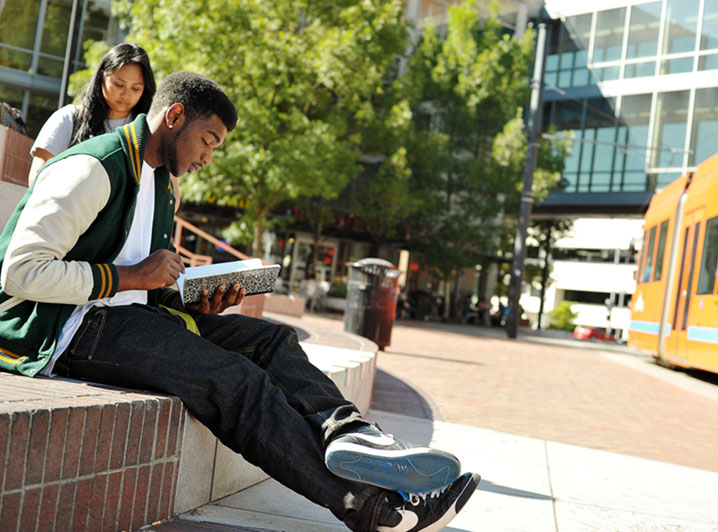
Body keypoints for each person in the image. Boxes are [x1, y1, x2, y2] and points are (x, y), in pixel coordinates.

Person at [0, 72, 479, 532]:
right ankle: (375, 510)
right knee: (235, 381)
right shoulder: (92, 167)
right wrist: (128, 277)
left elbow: (141, 279)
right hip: (63, 329)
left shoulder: (163, 183)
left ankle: (352, 434)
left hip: (127, 313)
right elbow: (19, 273)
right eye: (208, 140)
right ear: (174, 117)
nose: (209, 156)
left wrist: (194, 302)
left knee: (273, 341)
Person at [27, 43, 156, 186]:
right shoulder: (69, 118)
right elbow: (38, 177)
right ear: (102, 75)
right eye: (119, 85)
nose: (126, 94)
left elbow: (170, 194)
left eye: (135, 88)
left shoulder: (149, 132)